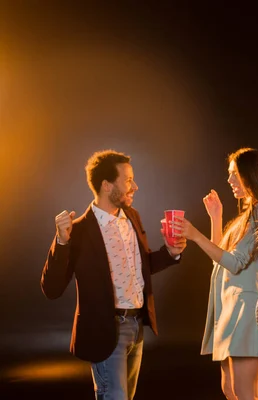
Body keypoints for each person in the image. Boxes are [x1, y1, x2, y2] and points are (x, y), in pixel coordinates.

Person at [41, 149, 186, 400]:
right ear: (107, 186)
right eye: (128, 180)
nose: (135, 186)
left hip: (137, 326)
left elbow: (141, 266)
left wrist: (171, 252)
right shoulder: (78, 232)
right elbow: (51, 289)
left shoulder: (132, 217)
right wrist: (61, 242)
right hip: (106, 331)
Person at [172, 148, 258, 400]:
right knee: (230, 390)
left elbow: (234, 263)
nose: (229, 180)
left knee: (244, 392)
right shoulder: (246, 217)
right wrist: (216, 218)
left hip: (247, 312)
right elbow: (220, 261)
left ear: (250, 174)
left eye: (234, 174)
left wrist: (195, 235)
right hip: (232, 311)